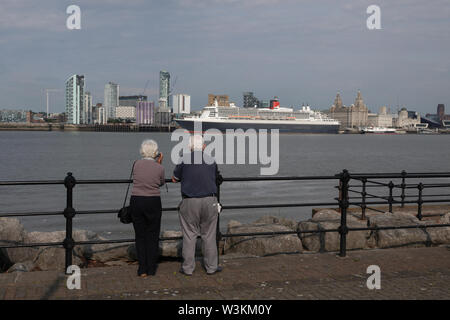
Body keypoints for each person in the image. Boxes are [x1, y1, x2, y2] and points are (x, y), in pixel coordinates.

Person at [172, 135, 222, 276]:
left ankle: (188, 268)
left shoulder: (184, 158)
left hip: (190, 201)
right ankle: (211, 267)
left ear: (189, 147)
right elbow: (215, 176)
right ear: (204, 146)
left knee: (189, 236)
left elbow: (175, 178)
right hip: (210, 200)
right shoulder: (211, 160)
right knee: (209, 236)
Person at [130, 139, 165, 277]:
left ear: (142, 151)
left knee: (140, 235)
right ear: (156, 153)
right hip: (153, 201)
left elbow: (137, 178)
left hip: (136, 200)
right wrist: (159, 163)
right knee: (153, 235)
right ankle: (151, 268)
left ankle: (142, 269)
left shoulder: (136, 164)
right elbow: (161, 182)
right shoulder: (160, 167)